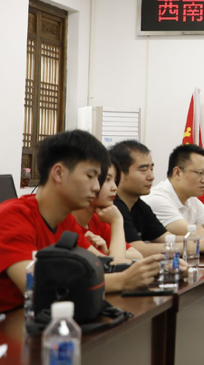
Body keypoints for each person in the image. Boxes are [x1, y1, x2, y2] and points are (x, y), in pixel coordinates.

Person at [0, 130, 161, 312]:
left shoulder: (66, 221)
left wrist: (155, 267)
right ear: (59, 173)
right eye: (90, 176)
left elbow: (103, 267)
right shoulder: (12, 217)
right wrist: (122, 281)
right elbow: (39, 288)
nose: (96, 187)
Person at [112, 140, 204, 256]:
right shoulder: (114, 206)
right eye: (143, 170)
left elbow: (166, 238)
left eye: (151, 169)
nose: (151, 177)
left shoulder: (140, 206)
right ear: (119, 173)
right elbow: (138, 249)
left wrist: (198, 239)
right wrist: (197, 245)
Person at [142, 144, 204, 247]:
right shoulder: (157, 199)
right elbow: (193, 235)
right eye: (200, 173)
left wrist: (203, 235)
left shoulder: (191, 198)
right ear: (177, 173)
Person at [70, 154, 143, 262]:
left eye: (115, 180)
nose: (114, 188)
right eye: (107, 179)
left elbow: (137, 255)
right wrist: (117, 221)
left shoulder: (97, 220)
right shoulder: (68, 223)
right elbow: (116, 263)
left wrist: (107, 252)